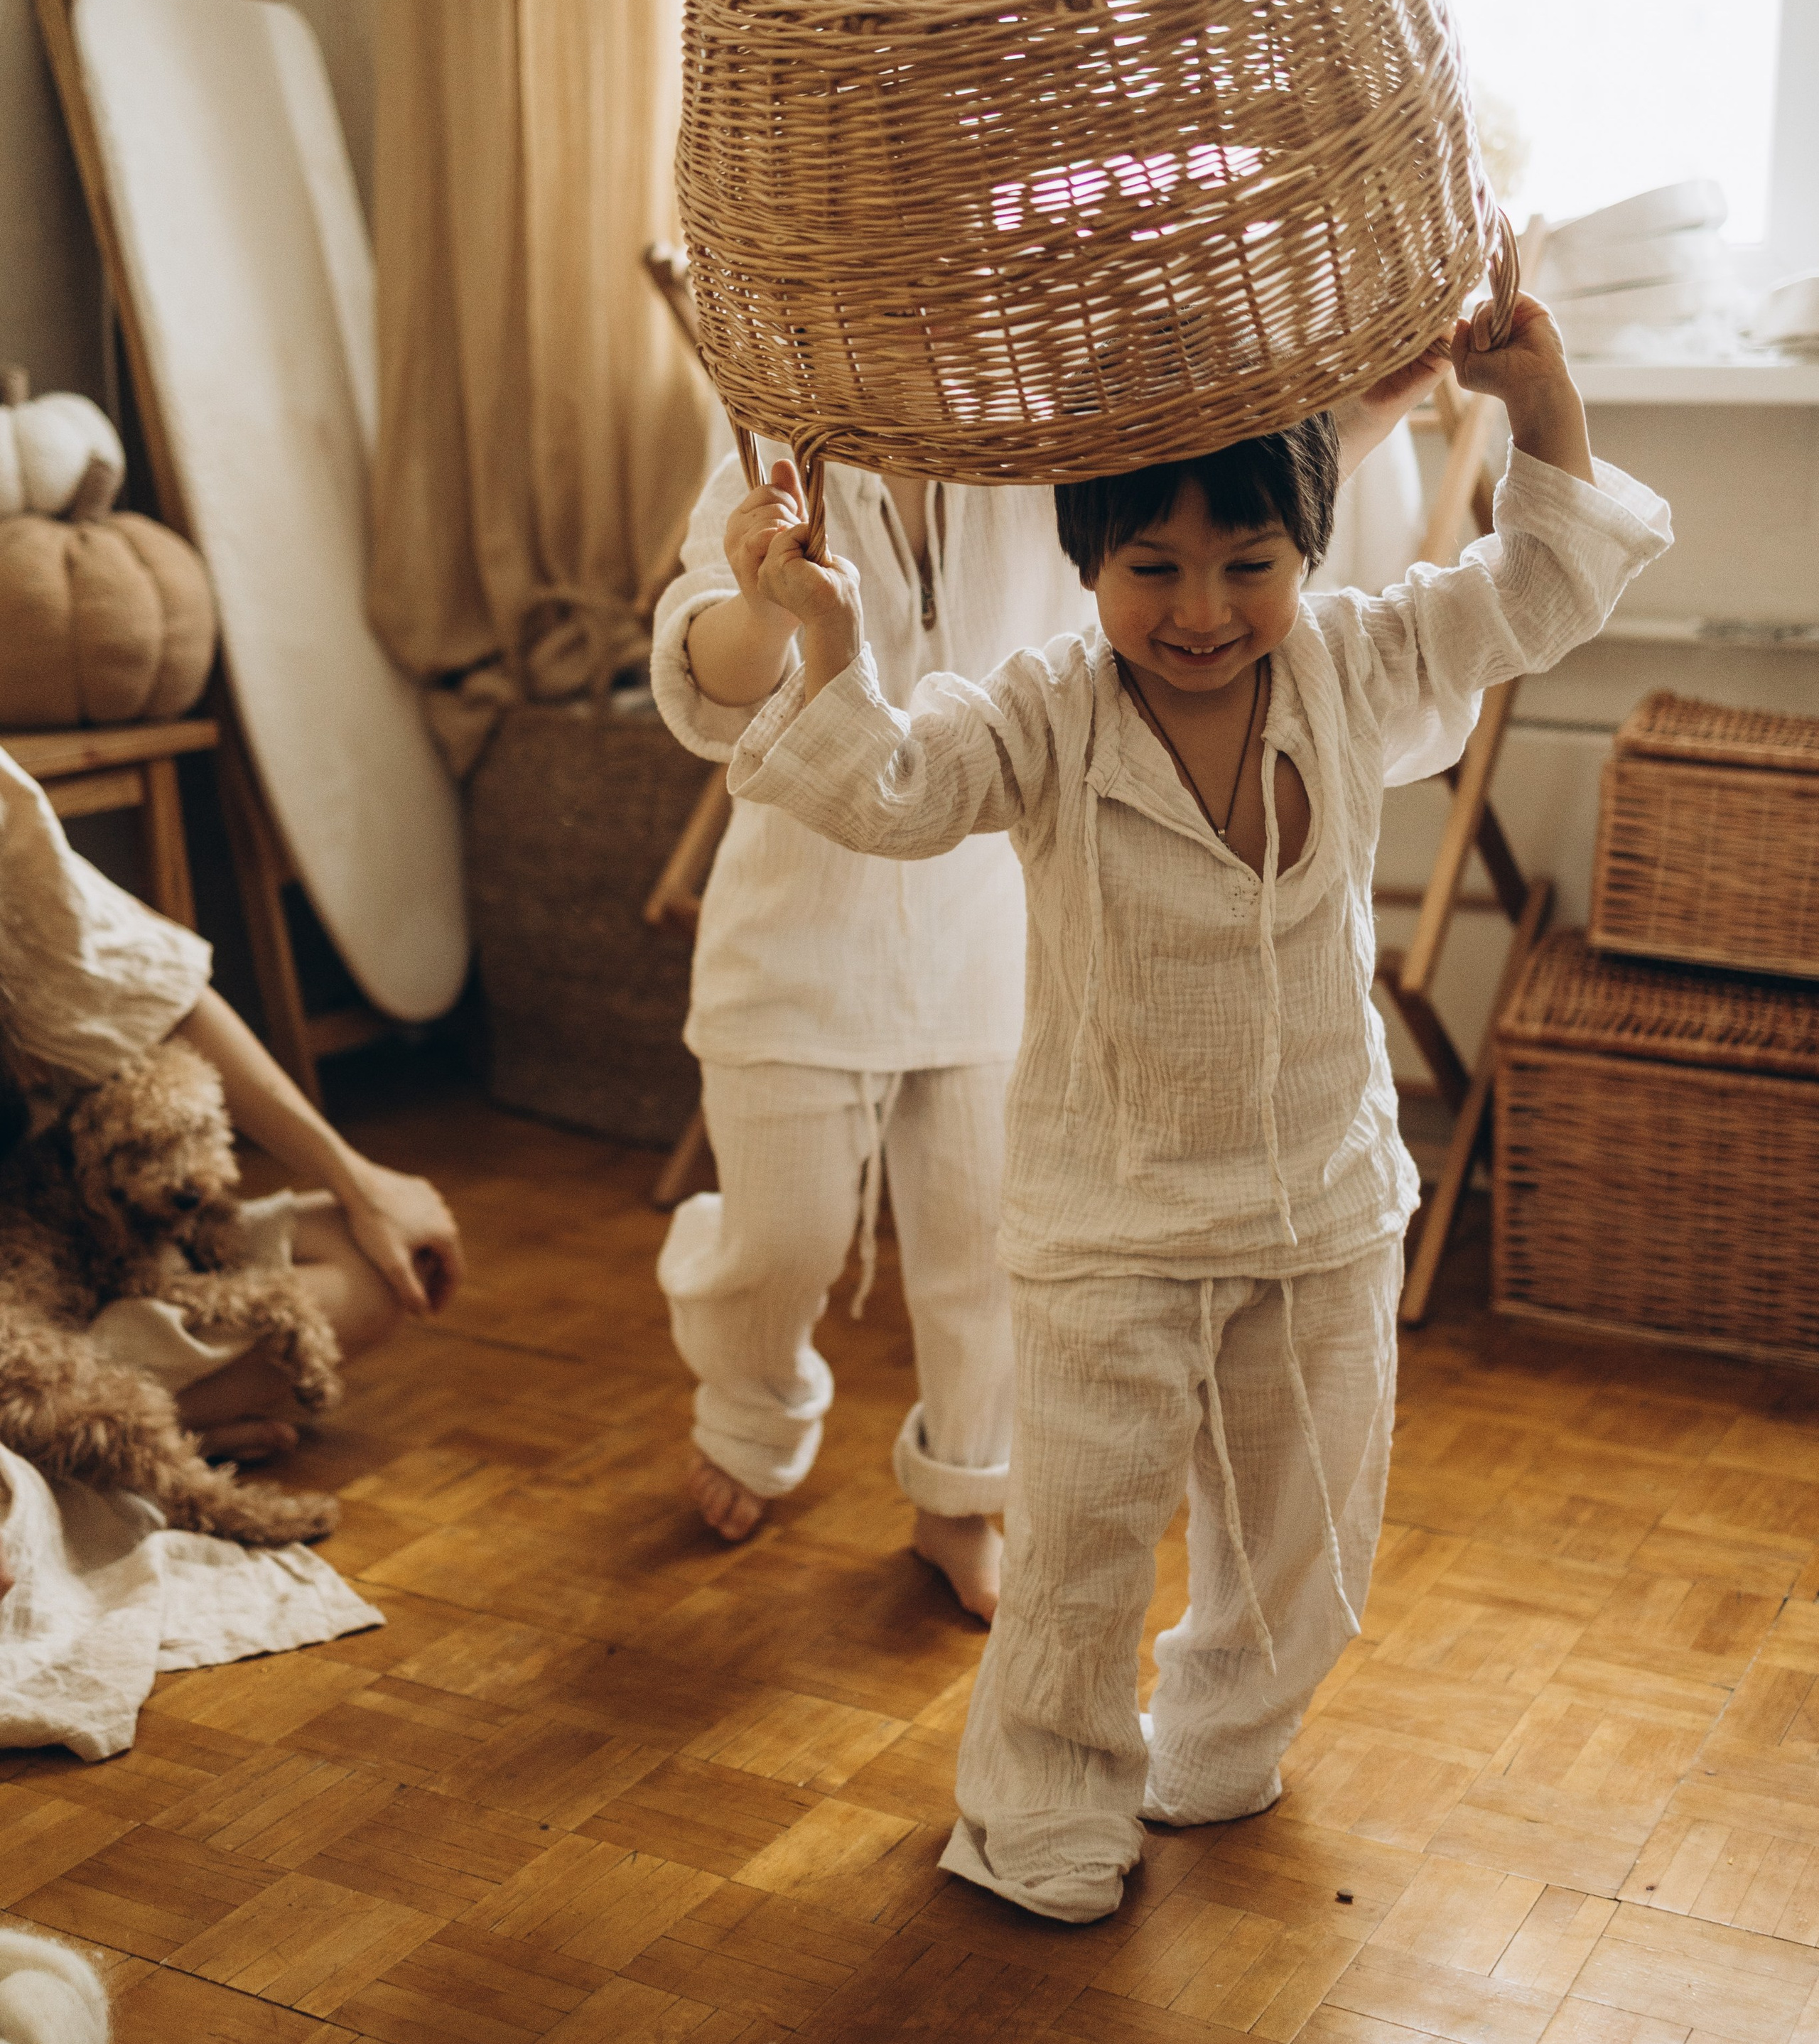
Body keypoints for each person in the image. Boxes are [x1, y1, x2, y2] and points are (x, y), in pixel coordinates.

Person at [719, 296, 1671, 1919]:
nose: (1201, 610)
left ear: (1304, 544)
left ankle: (1219, 1740)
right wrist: (823, 634)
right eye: (1150, 568)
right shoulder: (1040, 710)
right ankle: (1038, 1804)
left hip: (1319, 1203)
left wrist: (1542, 408)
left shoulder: (1356, 663)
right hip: (1110, 1219)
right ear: (1088, 563)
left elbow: (1528, 590)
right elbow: (888, 781)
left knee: (1303, 1548)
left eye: (1247, 561)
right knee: (1078, 1552)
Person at [651, 404, 1447, 1620]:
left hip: (997, 940)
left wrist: (1394, 392)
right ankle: (751, 1405)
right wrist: (766, 597)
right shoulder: (770, 474)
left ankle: (962, 1495)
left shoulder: (1047, 469)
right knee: (783, 1237)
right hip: (794, 944)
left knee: (986, 1252)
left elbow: (1211, 501)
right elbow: (710, 692)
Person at [0, 747, 462, 1465]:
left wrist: (360, 1181)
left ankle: (91, 1432)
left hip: (67, 1253)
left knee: (372, 1270)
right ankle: (92, 1440)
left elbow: (153, 989)